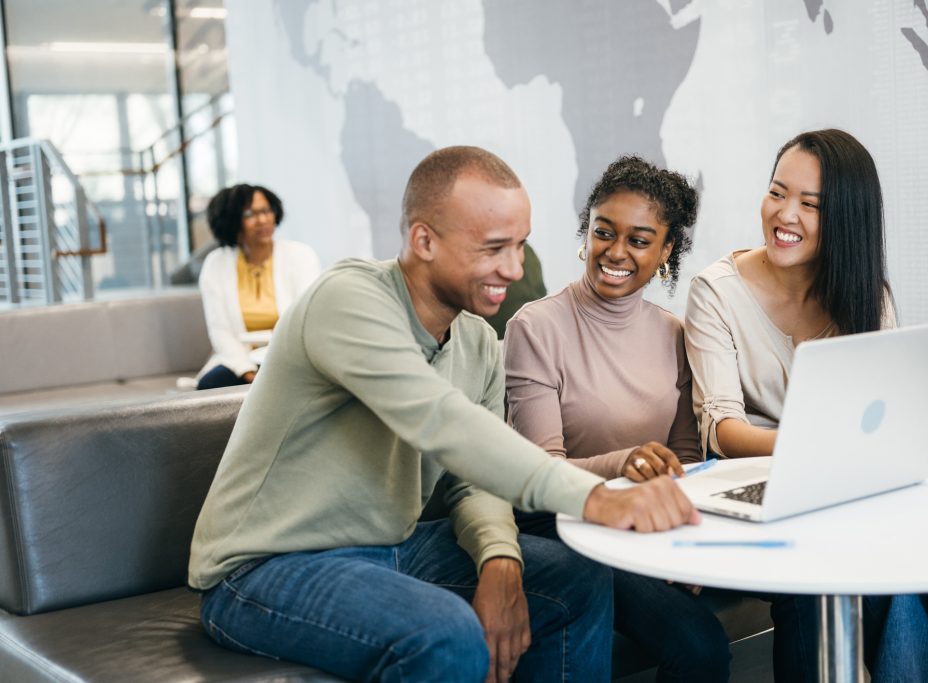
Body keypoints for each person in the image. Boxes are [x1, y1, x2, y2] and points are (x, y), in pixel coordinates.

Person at [188, 146, 701, 683]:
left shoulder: (478, 341)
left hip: (390, 547)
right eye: (493, 248)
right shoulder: (347, 299)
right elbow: (441, 422)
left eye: (520, 245)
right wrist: (595, 499)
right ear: (424, 240)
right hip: (264, 567)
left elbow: (470, 480)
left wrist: (500, 558)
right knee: (447, 633)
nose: (515, 268)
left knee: (575, 578)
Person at [684, 128, 928, 682]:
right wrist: (822, 451)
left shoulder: (867, 293)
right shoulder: (716, 292)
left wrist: (858, 457)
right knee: (894, 550)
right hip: (768, 494)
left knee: (920, 524)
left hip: (849, 487)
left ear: (846, 216)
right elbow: (722, 428)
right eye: (777, 192)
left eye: (810, 204)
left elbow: (894, 411)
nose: (784, 213)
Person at [503, 155, 730, 681]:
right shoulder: (535, 328)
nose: (616, 252)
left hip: (647, 520)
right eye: (605, 232)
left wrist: (682, 546)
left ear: (666, 250)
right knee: (698, 646)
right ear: (588, 232)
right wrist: (625, 464)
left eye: (639, 239)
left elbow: (688, 458)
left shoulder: (674, 333)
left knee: (707, 643)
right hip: (563, 521)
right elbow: (541, 474)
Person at [195, 184, 321, 390]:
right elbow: (220, 330)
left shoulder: (300, 256)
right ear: (232, 220)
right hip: (241, 358)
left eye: (266, 210)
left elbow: (307, 319)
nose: (262, 220)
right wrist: (246, 371)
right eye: (250, 214)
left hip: (290, 355)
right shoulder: (216, 263)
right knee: (210, 384)